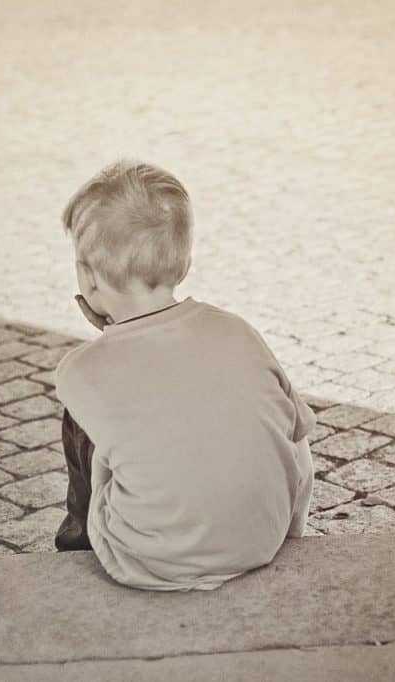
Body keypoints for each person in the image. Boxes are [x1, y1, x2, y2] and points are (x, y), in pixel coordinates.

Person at [52, 160, 315, 591]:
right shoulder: (236, 330)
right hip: (261, 540)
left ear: (88, 278)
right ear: (185, 262)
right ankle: (287, 529)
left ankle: (78, 544)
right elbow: (296, 433)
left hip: (150, 559)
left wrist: (112, 339)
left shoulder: (82, 370)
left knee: (84, 415)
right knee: (291, 419)